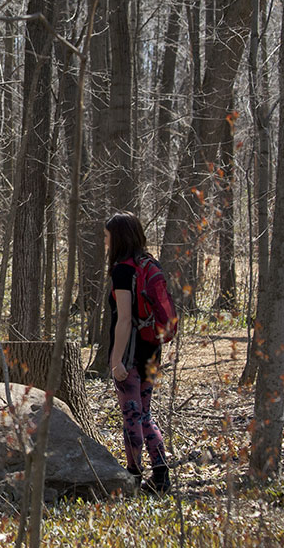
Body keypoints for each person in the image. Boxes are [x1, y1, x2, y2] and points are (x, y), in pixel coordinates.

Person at [105, 211, 171, 494]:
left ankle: (133, 475)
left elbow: (124, 319)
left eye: (107, 237)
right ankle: (161, 474)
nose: (105, 243)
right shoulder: (148, 263)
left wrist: (116, 359)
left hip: (130, 353)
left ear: (117, 238)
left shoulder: (122, 270)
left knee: (131, 414)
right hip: (152, 350)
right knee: (145, 414)